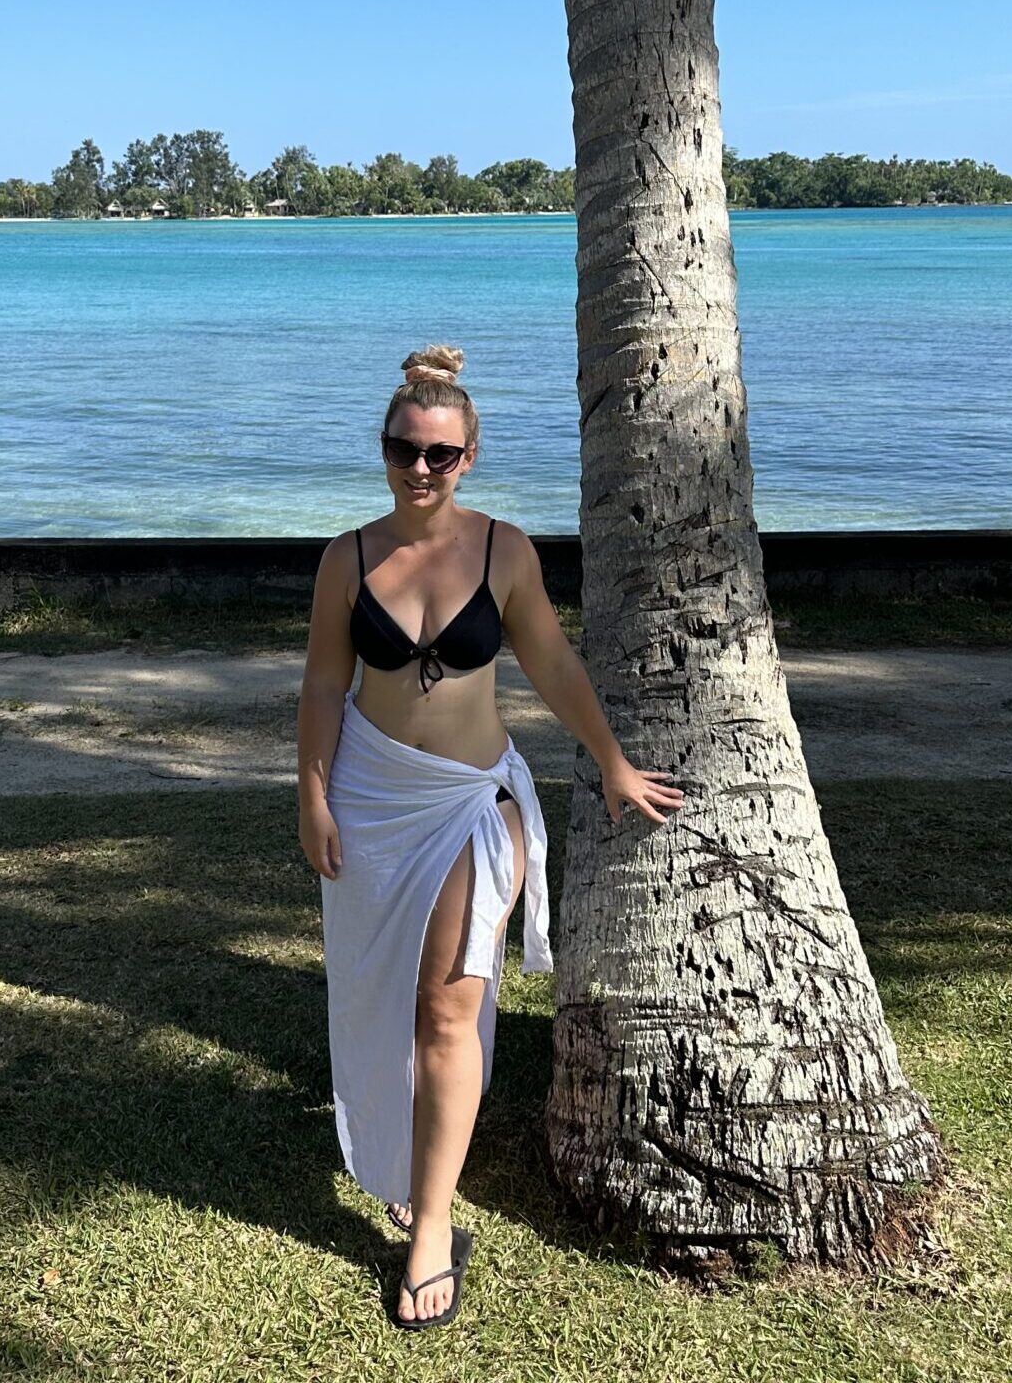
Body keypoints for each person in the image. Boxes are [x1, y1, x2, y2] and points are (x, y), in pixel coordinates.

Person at [297, 343, 684, 1330]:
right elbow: (324, 688)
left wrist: (609, 759)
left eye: (439, 455)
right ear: (383, 451)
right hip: (373, 800)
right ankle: (405, 1159)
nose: (419, 471)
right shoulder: (346, 558)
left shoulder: (503, 549)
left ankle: (431, 1229)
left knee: (443, 1009)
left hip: (474, 802)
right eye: (403, 451)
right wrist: (313, 798)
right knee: (381, 998)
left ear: (469, 457)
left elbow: (551, 663)